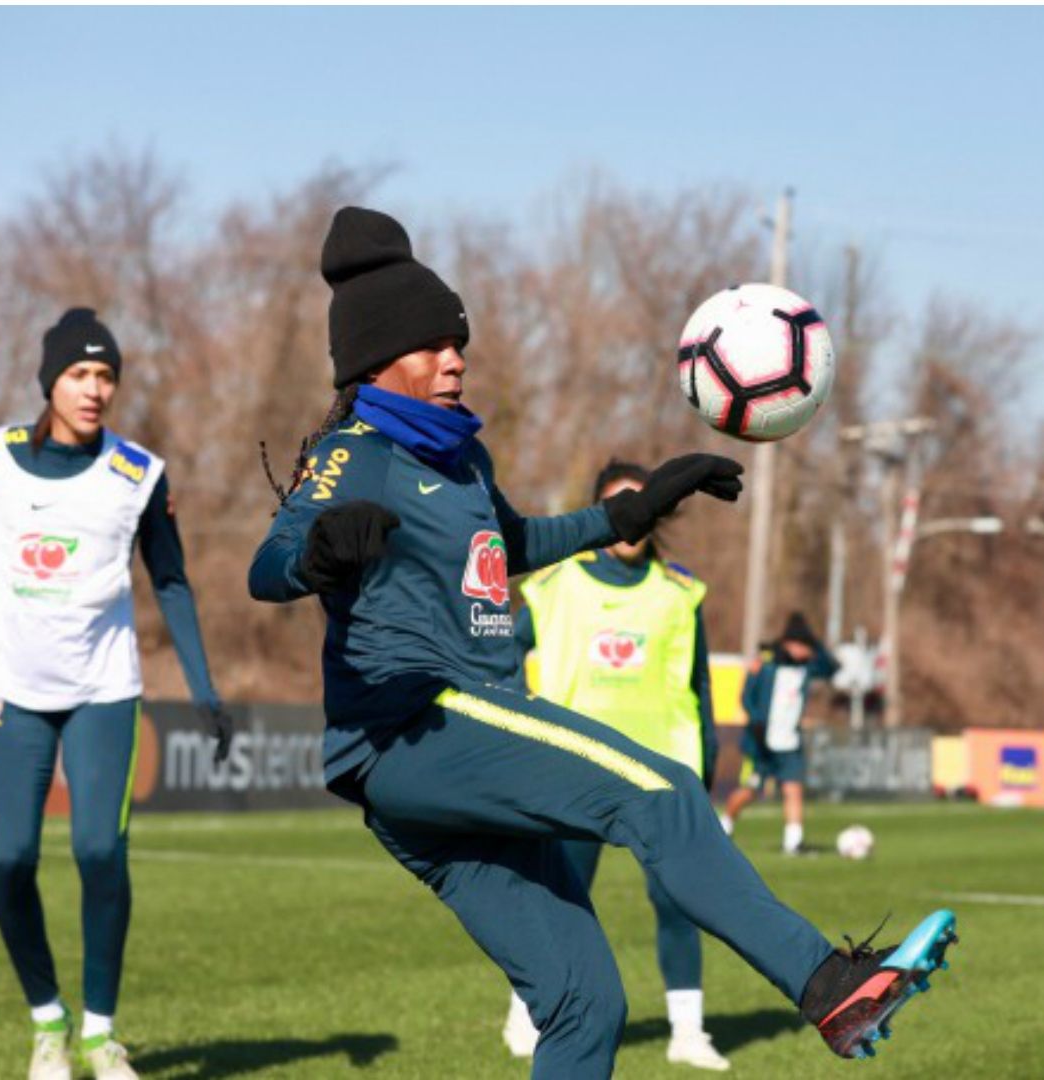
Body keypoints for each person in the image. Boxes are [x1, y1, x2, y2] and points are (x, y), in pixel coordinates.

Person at [247, 207, 956, 1080]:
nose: (455, 358)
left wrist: (629, 514)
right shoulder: (355, 455)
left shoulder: (463, 461)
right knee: (659, 791)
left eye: (458, 341)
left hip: (438, 763)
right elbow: (268, 566)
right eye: (433, 344)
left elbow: (506, 553)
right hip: (416, 727)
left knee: (585, 1006)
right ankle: (826, 984)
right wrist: (318, 553)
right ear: (376, 360)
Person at [0, 308, 233, 1080]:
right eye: (81, 374)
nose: (95, 389)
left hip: (102, 690)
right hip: (10, 691)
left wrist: (206, 689)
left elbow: (172, 583)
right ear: (50, 381)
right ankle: (47, 1021)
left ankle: (99, 1033)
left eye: (106, 375)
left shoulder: (137, 476)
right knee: (9, 859)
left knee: (97, 849)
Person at [501, 459, 728, 1071]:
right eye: (616, 505)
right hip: (575, 772)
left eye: (641, 504)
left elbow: (699, 687)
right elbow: (502, 656)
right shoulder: (555, 586)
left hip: (662, 774)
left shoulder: (681, 593)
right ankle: (529, 1010)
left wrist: (704, 776)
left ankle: (688, 1030)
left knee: (680, 900)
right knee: (563, 900)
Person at [720, 613, 838, 854]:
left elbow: (831, 668)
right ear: (786, 644)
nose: (801, 651)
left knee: (792, 788)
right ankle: (724, 826)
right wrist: (756, 724)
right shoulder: (765, 665)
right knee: (750, 791)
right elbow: (746, 697)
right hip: (761, 742)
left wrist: (816, 646)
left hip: (790, 742)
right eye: (797, 645)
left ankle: (793, 842)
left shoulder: (807, 668)